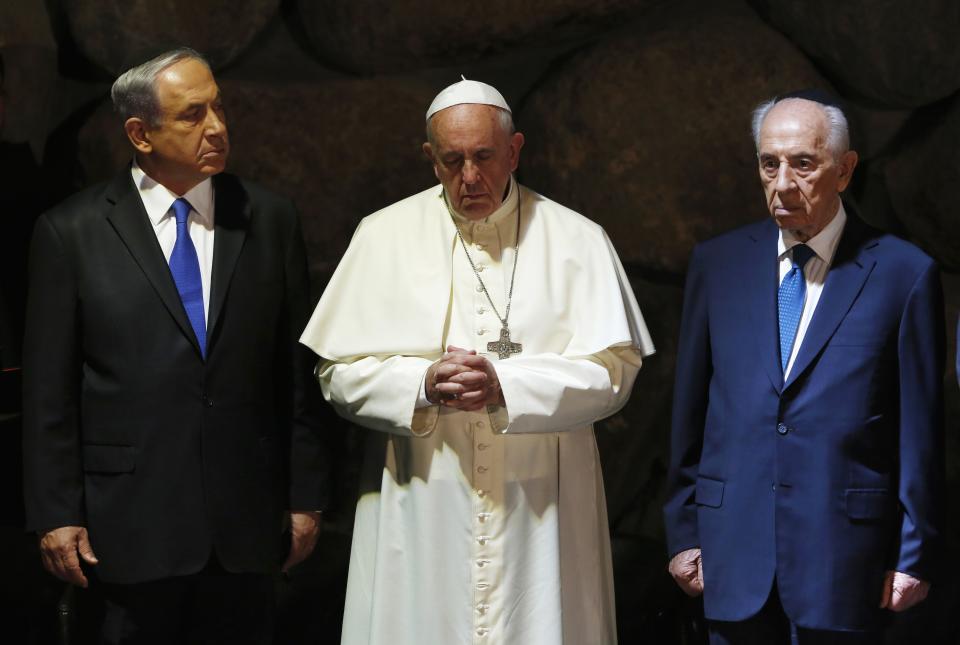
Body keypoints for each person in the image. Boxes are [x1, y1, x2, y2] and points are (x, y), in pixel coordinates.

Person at [300, 78, 654, 644]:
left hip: (539, 500)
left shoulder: (577, 239)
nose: (469, 178)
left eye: (485, 157)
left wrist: (506, 386)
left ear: (514, 150)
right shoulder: (382, 235)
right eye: (452, 160)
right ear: (429, 158)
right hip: (423, 498)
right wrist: (421, 383)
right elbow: (336, 374)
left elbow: (613, 373)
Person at [22, 48, 328, 644]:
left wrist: (308, 496)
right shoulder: (71, 232)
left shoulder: (269, 218)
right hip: (126, 527)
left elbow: (295, 372)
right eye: (192, 115)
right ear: (140, 133)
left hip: (245, 524)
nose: (217, 127)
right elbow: (48, 390)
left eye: (218, 107)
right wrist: (56, 513)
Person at [663, 91, 945, 643]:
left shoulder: (905, 274)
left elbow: (922, 433)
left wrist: (915, 553)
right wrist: (682, 531)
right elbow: (689, 413)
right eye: (770, 163)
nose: (783, 182)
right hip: (729, 556)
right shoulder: (716, 265)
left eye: (803, 163)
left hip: (846, 564)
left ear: (844, 171)